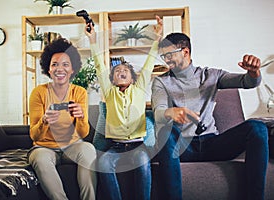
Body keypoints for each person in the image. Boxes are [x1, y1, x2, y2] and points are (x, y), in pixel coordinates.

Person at [151, 32, 269, 200]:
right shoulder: (161, 82)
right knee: (165, 133)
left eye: (169, 55)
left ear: (185, 52)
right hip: (183, 147)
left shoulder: (212, 75)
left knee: (257, 128)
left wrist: (254, 73)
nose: (166, 60)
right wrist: (170, 112)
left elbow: (246, 82)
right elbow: (159, 111)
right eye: (164, 56)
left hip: (213, 143)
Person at [85, 16, 163, 200]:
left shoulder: (139, 88)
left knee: (144, 163)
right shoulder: (109, 92)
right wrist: (93, 40)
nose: (121, 71)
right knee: (103, 164)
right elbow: (99, 66)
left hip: (138, 146)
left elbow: (150, 62)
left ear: (133, 78)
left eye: (125, 71)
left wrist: (157, 39)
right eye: (117, 71)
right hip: (116, 146)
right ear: (112, 79)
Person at [28, 38, 97, 200]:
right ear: (48, 69)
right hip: (44, 148)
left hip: (72, 146)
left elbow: (84, 133)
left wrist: (80, 117)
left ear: (72, 69)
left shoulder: (79, 92)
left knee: (89, 150)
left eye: (65, 64)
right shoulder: (38, 92)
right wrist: (44, 121)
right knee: (39, 158)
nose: (60, 68)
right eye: (54, 64)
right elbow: (34, 136)